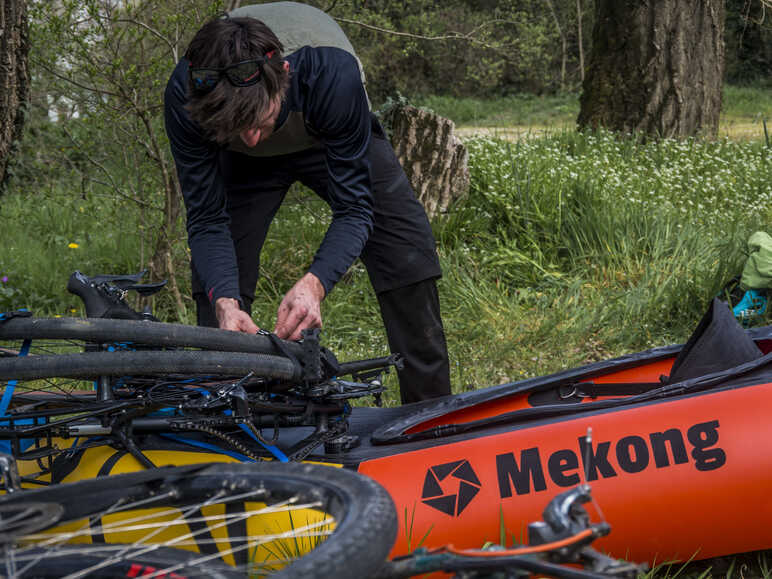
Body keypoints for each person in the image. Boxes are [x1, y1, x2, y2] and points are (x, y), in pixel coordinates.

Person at [164, 2, 451, 404]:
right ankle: (223, 414)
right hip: (239, 163)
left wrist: (314, 284)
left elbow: (355, 208)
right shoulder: (187, 97)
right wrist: (225, 303)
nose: (251, 139)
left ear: (282, 77)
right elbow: (208, 222)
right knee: (215, 291)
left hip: (326, 129)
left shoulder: (332, 75)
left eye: (256, 122)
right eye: (237, 128)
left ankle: (429, 411)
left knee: (405, 249)